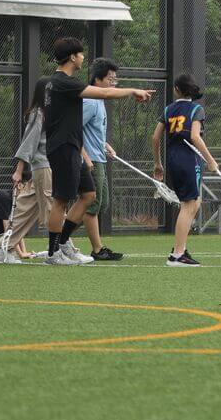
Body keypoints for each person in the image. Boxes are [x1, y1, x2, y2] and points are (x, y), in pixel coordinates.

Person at [42, 37, 151, 266]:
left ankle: (62, 244)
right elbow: (105, 94)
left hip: (72, 147)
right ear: (72, 57)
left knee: (89, 195)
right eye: (81, 54)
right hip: (63, 148)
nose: (83, 58)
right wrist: (133, 91)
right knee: (61, 201)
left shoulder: (63, 82)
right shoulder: (61, 81)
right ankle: (53, 254)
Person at [151, 71, 218, 267]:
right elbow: (195, 137)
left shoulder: (168, 109)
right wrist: (211, 160)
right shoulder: (196, 109)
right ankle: (177, 255)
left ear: (177, 90)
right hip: (189, 160)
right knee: (189, 206)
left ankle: (180, 249)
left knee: (193, 203)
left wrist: (157, 163)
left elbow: (155, 138)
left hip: (173, 160)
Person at [0, 76, 54, 265]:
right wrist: (19, 171)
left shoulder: (48, 113)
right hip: (43, 165)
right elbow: (29, 142)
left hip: (44, 166)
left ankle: (4, 246)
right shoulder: (39, 113)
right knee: (52, 207)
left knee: (26, 208)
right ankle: (59, 248)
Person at [73, 58, 126, 262]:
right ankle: (96, 248)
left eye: (115, 79)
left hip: (99, 157)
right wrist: (85, 156)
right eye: (110, 79)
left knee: (100, 204)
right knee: (91, 205)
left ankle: (61, 236)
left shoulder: (99, 101)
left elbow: (92, 131)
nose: (114, 83)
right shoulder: (89, 101)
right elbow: (73, 130)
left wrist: (105, 144)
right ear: (98, 79)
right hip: (90, 160)